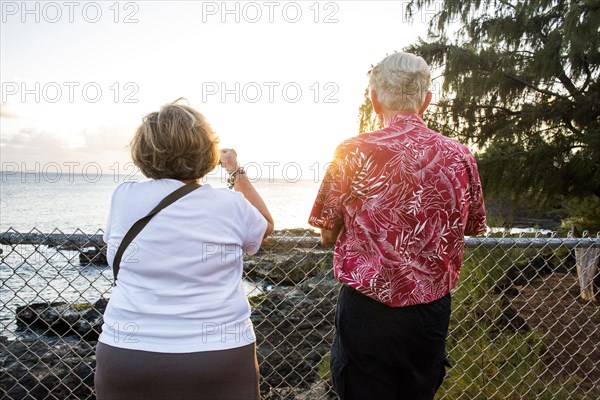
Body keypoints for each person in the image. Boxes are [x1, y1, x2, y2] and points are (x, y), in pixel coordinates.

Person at [309, 52, 487, 399]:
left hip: (366, 308)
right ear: (426, 100)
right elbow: (472, 226)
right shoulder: (459, 154)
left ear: (375, 99)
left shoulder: (351, 152)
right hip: (429, 311)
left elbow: (327, 232)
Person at [95, 99, 274, 400]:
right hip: (218, 356)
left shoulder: (122, 197)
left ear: (143, 151)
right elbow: (265, 226)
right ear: (207, 151)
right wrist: (234, 170)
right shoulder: (229, 205)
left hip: (128, 353)